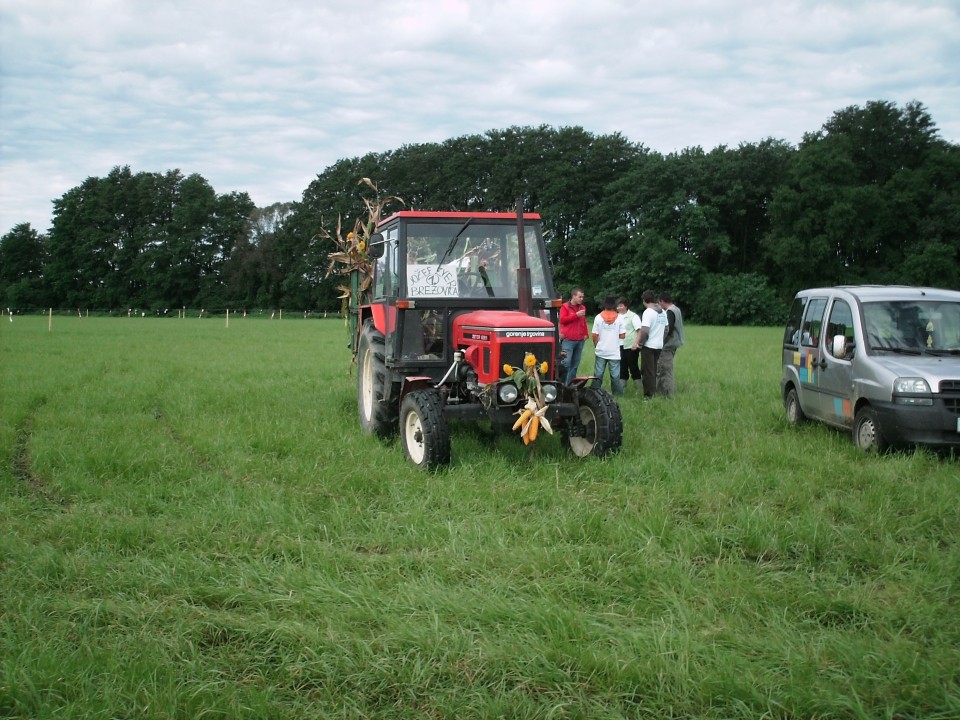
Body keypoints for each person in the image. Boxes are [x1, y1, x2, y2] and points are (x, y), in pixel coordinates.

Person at [591, 296, 626, 396]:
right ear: (614, 305)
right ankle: (618, 395)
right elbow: (623, 335)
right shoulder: (620, 318)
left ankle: (594, 393)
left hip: (601, 350)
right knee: (615, 376)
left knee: (598, 375)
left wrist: (596, 345)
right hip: (614, 352)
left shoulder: (598, 317)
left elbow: (594, 335)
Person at [638, 289, 667, 398]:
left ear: (645, 300)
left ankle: (648, 395)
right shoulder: (663, 312)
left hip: (649, 346)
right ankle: (653, 391)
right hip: (659, 345)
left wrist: (641, 344)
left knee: (647, 371)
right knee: (653, 370)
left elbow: (645, 330)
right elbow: (666, 329)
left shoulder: (648, 312)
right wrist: (661, 339)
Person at [656, 292, 685, 397]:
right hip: (675, 343)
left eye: (659, 303)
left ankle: (669, 393)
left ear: (662, 301)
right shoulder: (676, 309)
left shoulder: (670, 312)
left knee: (666, 369)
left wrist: (662, 342)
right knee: (663, 368)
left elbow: (669, 329)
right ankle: (659, 391)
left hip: (669, 345)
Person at [559, 287, 589, 384]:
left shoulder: (583, 307)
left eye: (582, 297)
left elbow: (583, 322)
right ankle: (562, 384)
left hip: (580, 340)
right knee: (566, 363)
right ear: (574, 296)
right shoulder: (565, 307)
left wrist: (586, 333)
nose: (581, 299)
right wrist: (576, 315)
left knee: (575, 364)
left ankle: (571, 385)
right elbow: (562, 320)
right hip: (568, 340)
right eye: (580, 297)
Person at [616, 297, 642, 393]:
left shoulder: (633, 316)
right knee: (622, 366)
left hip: (631, 346)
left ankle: (639, 387)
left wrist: (636, 343)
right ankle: (622, 387)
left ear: (626, 306)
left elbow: (639, 330)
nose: (619, 308)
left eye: (621, 306)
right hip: (619, 345)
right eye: (618, 306)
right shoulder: (616, 316)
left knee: (633, 366)